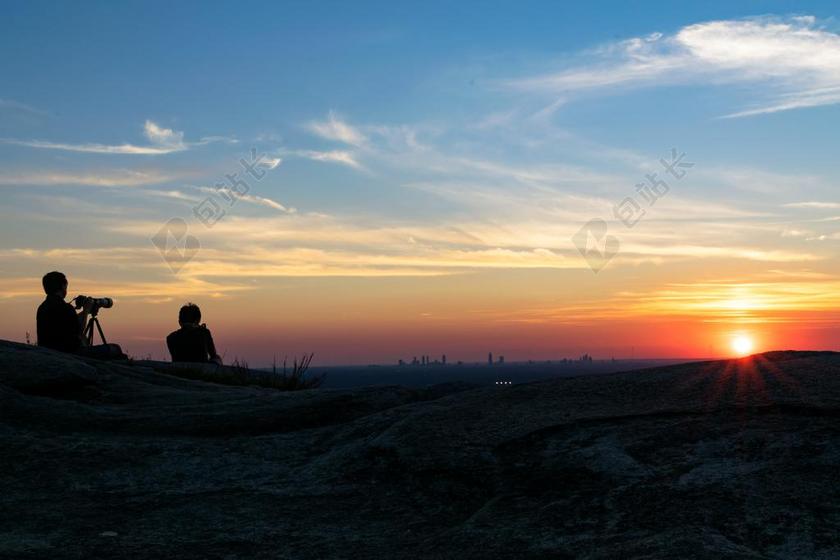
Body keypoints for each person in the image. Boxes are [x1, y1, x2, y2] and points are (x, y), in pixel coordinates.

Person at [36, 271, 124, 359]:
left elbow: (68, 323)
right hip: (70, 352)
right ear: (63, 286)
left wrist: (86, 311)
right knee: (115, 348)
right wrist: (86, 310)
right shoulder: (65, 308)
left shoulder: (42, 308)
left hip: (47, 351)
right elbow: (79, 331)